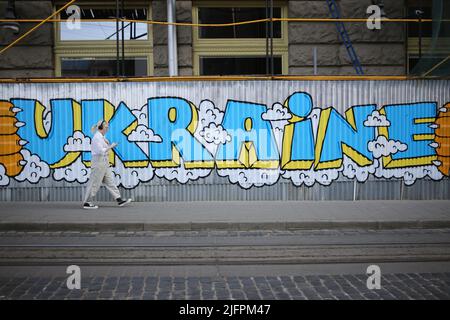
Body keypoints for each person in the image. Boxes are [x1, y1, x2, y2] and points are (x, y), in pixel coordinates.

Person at [82, 120, 132, 209]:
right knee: (94, 182)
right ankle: (87, 202)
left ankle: (119, 199)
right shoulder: (97, 137)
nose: (107, 128)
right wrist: (111, 146)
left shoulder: (101, 137)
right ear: (101, 128)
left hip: (104, 162)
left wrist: (107, 143)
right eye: (106, 126)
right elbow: (100, 151)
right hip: (98, 162)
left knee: (110, 181)